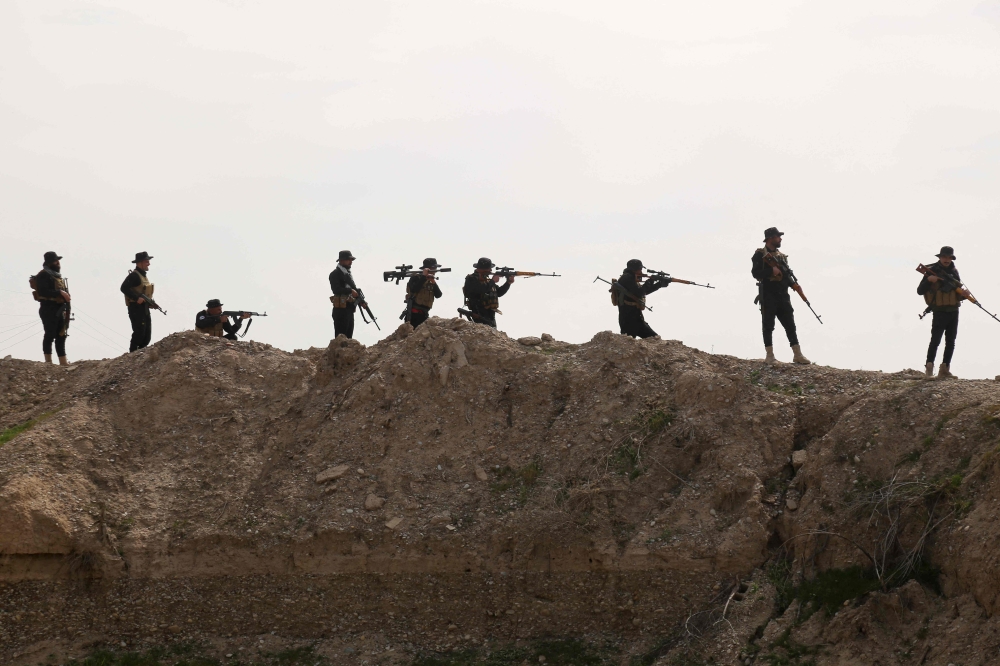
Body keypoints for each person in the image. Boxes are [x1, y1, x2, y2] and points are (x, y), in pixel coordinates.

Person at [752, 228, 811, 364]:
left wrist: (793, 285)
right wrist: (770, 270)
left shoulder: (781, 257)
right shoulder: (759, 255)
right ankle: (770, 356)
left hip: (783, 295)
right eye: (778, 236)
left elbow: (785, 275)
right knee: (768, 325)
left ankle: (797, 354)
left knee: (790, 324)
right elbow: (755, 273)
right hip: (768, 294)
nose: (780, 239)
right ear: (770, 238)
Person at [917, 246, 966, 378]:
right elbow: (920, 291)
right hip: (939, 312)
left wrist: (964, 295)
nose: (946, 259)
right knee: (935, 340)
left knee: (951, 341)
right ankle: (929, 368)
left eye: (949, 257)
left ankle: (944, 369)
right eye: (944, 257)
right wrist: (928, 280)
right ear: (940, 257)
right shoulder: (931, 271)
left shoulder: (954, 272)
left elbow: (956, 291)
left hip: (953, 311)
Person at [31, 251, 72, 365]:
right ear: (49, 263)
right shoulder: (43, 275)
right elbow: (44, 291)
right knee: (50, 334)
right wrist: (59, 292)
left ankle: (63, 362)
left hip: (60, 308)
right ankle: (48, 363)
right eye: (55, 261)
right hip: (48, 308)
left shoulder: (57, 276)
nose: (58, 263)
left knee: (61, 335)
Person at [615, 259, 667, 339]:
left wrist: (659, 285)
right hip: (628, 318)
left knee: (654, 339)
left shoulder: (632, 278)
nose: (641, 271)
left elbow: (643, 292)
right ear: (635, 269)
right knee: (627, 344)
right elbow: (639, 292)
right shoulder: (627, 278)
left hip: (637, 318)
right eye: (640, 269)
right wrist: (650, 281)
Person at [462, 258, 513, 329]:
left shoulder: (487, 279)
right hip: (479, 312)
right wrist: (492, 281)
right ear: (482, 269)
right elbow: (481, 290)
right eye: (488, 268)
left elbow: (499, 293)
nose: (490, 270)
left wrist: (508, 283)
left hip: (490, 313)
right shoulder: (471, 279)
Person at [120, 251, 155, 352]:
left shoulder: (143, 275)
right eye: (146, 261)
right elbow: (123, 288)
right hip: (136, 308)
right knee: (139, 333)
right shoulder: (134, 276)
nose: (149, 263)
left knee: (147, 336)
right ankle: (132, 356)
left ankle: (141, 356)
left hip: (144, 309)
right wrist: (136, 298)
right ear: (140, 262)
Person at [405, 258, 444, 328]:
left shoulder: (430, 281)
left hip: (424, 314)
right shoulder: (416, 278)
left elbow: (438, 295)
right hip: (413, 314)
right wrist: (424, 277)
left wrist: (433, 282)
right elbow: (414, 289)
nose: (435, 270)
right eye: (433, 267)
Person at [329, 250, 359, 339]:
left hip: (349, 308)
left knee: (349, 338)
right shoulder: (335, 274)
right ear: (341, 261)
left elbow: (355, 290)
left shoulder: (348, 275)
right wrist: (350, 291)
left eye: (351, 260)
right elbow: (336, 290)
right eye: (348, 260)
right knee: (341, 339)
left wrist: (361, 301)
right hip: (340, 310)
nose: (350, 262)